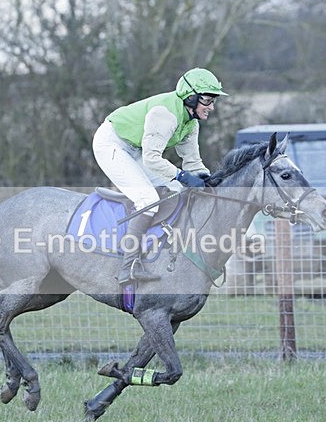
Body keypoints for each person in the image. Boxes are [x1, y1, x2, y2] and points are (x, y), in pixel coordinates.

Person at [92, 67, 228, 285]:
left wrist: (211, 181)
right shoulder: (165, 114)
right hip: (112, 144)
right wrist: (183, 176)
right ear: (191, 97)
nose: (211, 107)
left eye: (213, 101)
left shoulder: (191, 122)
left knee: (175, 191)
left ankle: (162, 248)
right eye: (207, 100)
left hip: (135, 150)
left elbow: (192, 162)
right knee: (148, 199)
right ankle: (128, 266)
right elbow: (152, 159)